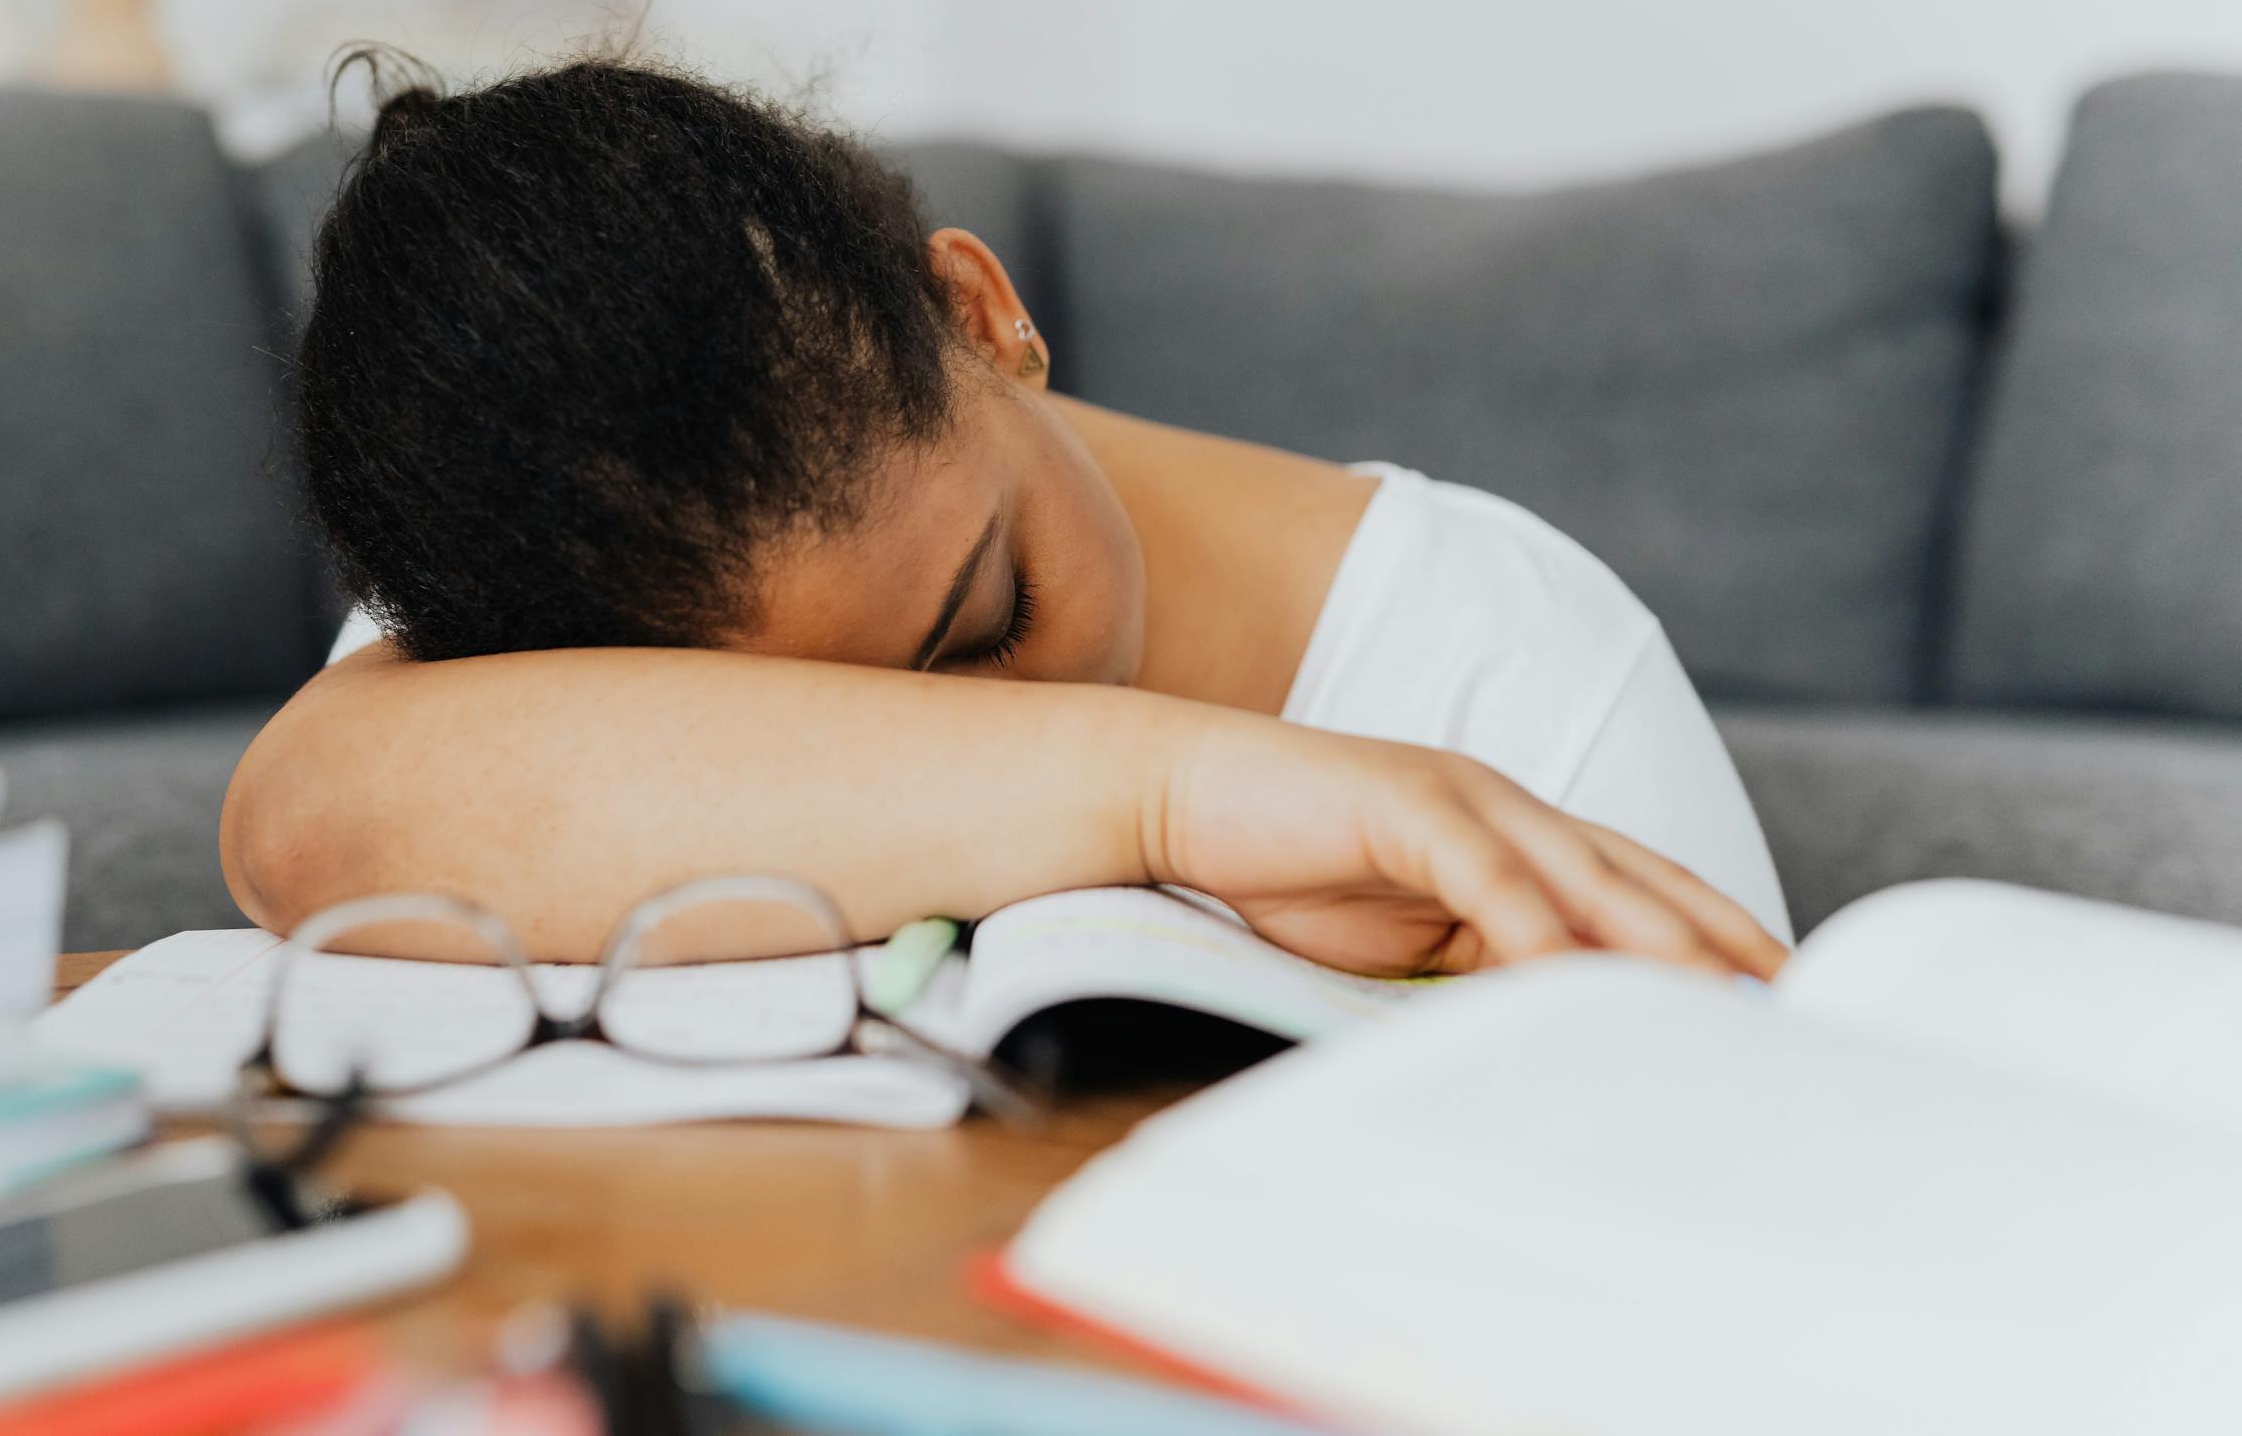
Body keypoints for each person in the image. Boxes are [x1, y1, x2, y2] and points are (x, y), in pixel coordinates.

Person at [220, 51, 1792, 982]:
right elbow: (297, 825)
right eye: (779, 725)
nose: (964, 741)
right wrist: (1169, 791)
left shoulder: (1524, 683)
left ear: (979, 315)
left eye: (987, 615)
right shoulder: (596, 537)